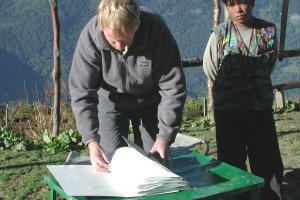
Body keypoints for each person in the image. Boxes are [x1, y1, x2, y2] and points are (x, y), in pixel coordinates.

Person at [69, 0, 186, 172]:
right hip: (110, 101)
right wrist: (91, 141)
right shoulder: (91, 37)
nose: (118, 46)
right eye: (112, 40)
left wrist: (164, 137)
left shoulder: (156, 30)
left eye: (124, 40)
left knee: (156, 164)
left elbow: (173, 86)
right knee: (110, 162)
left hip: (151, 100)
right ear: (102, 27)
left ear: (136, 25)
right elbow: (81, 91)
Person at [203, 0, 284, 199]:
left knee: (268, 164)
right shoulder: (219, 34)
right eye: (231, 5)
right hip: (229, 114)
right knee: (232, 166)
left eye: (242, 3)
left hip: (260, 112)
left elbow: (268, 66)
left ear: (252, 2)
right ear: (226, 7)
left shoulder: (268, 31)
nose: (238, 10)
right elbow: (211, 69)